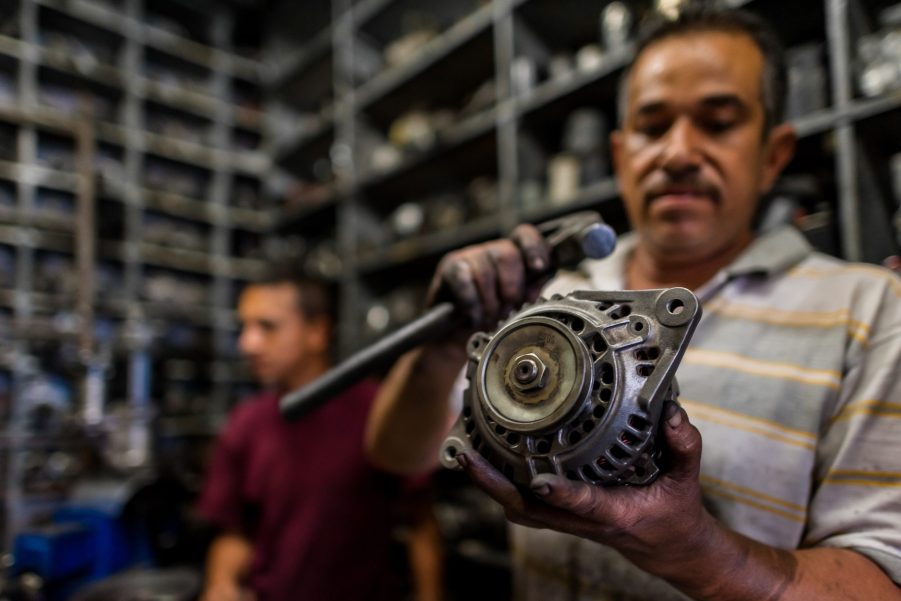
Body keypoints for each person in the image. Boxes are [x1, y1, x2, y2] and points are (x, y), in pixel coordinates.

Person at [365, 6, 901, 600]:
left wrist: (694, 549)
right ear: (620, 156)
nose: (677, 152)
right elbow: (396, 453)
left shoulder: (869, 312)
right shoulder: (546, 302)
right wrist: (442, 349)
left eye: (718, 122)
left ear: (774, 154)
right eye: (652, 126)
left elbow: (880, 582)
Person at [197, 264, 443, 601]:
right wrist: (221, 584)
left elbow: (420, 523)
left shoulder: (376, 409)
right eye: (245, 327)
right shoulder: (245, 423)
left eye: (267, 327)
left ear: (317, 331)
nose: (247, 344)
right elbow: (236, 533)